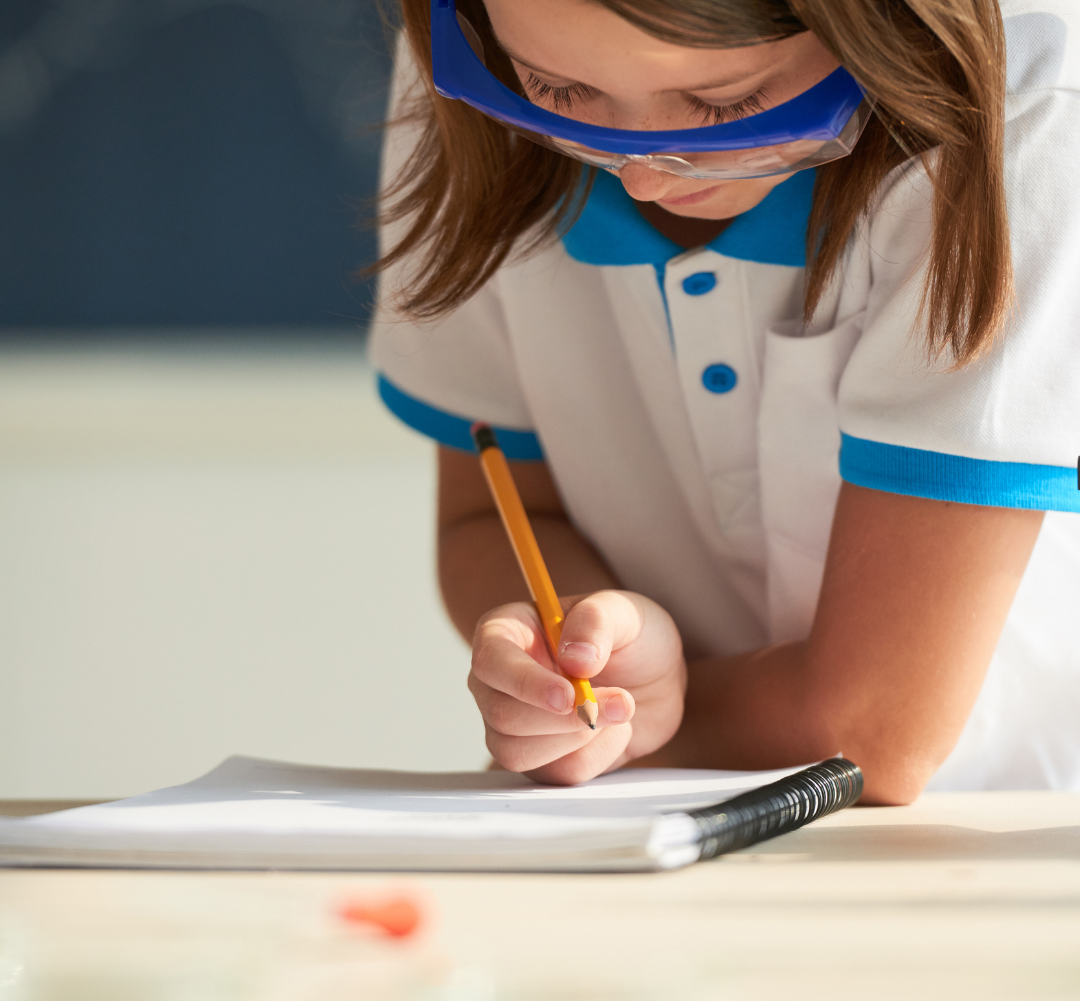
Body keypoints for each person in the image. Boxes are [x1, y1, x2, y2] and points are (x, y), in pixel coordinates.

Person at [369, 0, 1080, 802]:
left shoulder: (1023, 110)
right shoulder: (472, 65)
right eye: (560, 91)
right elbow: (487, 516)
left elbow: (877, 731)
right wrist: (579, 640)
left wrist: (646, 718)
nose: (643, 174)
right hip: (626, 824)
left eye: (723, 104)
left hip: (983, 832)